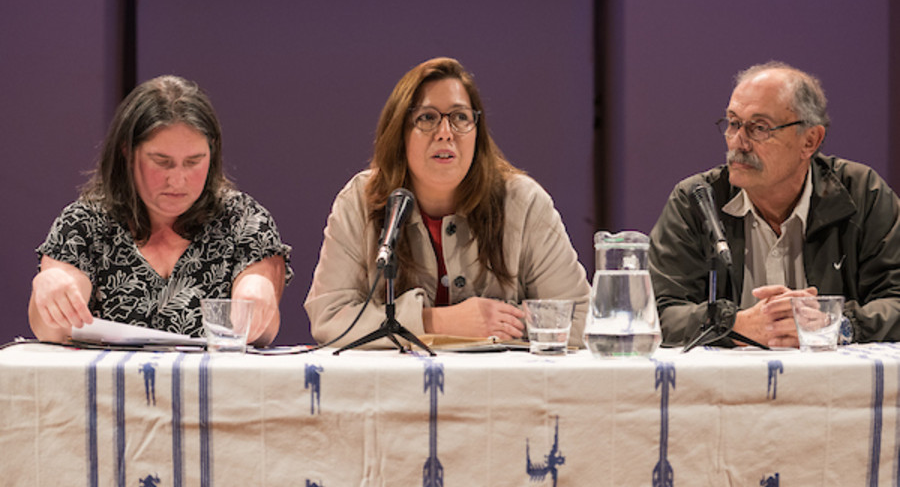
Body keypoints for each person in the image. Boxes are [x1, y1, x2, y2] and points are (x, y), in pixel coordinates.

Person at [305, 57, 589, 348]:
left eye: (460, 117)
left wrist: (499, 325)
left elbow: (581, 320)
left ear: (477, 133)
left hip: (499, 391)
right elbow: (330, 320)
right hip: (397, 390)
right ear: (399, 133)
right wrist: (437, 322)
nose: (445, 132)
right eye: (427, 118)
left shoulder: (524, 203)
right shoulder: (360, 202)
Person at [649, 61, 900, 348]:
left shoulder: (862, 194)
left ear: (810, 140)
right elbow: (657, 312)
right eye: (733, 123)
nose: (738, 142)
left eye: (759, 128)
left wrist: (837, 325)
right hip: (726, 389)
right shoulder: (697, 200)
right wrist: (732, 325)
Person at [29, 75, 292, 346]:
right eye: (162, 162)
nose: (177, 180)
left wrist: (258, 293)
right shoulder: (85, 223)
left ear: (212, 153)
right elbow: (53, 328)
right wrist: (52, 285)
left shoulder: (244, 220)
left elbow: (264, 329)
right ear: (127, 153)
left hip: (213, 387)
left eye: (193, 161)